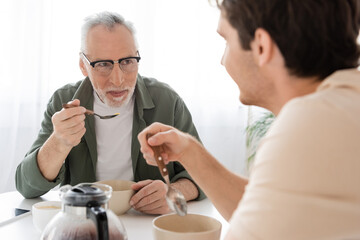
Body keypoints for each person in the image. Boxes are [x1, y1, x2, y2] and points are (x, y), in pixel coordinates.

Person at [138, 0, 360, 238]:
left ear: (262, 47)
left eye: (227, 41)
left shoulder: (308, 127)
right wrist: (189, 152)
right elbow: (268, 205)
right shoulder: (342, 106)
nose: (223, 61)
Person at [15, 11, 205, 215]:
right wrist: (59, 143)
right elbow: (27, 187)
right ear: (83, 66)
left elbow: (203, 174)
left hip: (147, 222)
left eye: (127, 61)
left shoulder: (167, 101)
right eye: (103, 64)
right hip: (84, 222)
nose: (118, 80)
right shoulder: (64, 103)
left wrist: (174, 191)